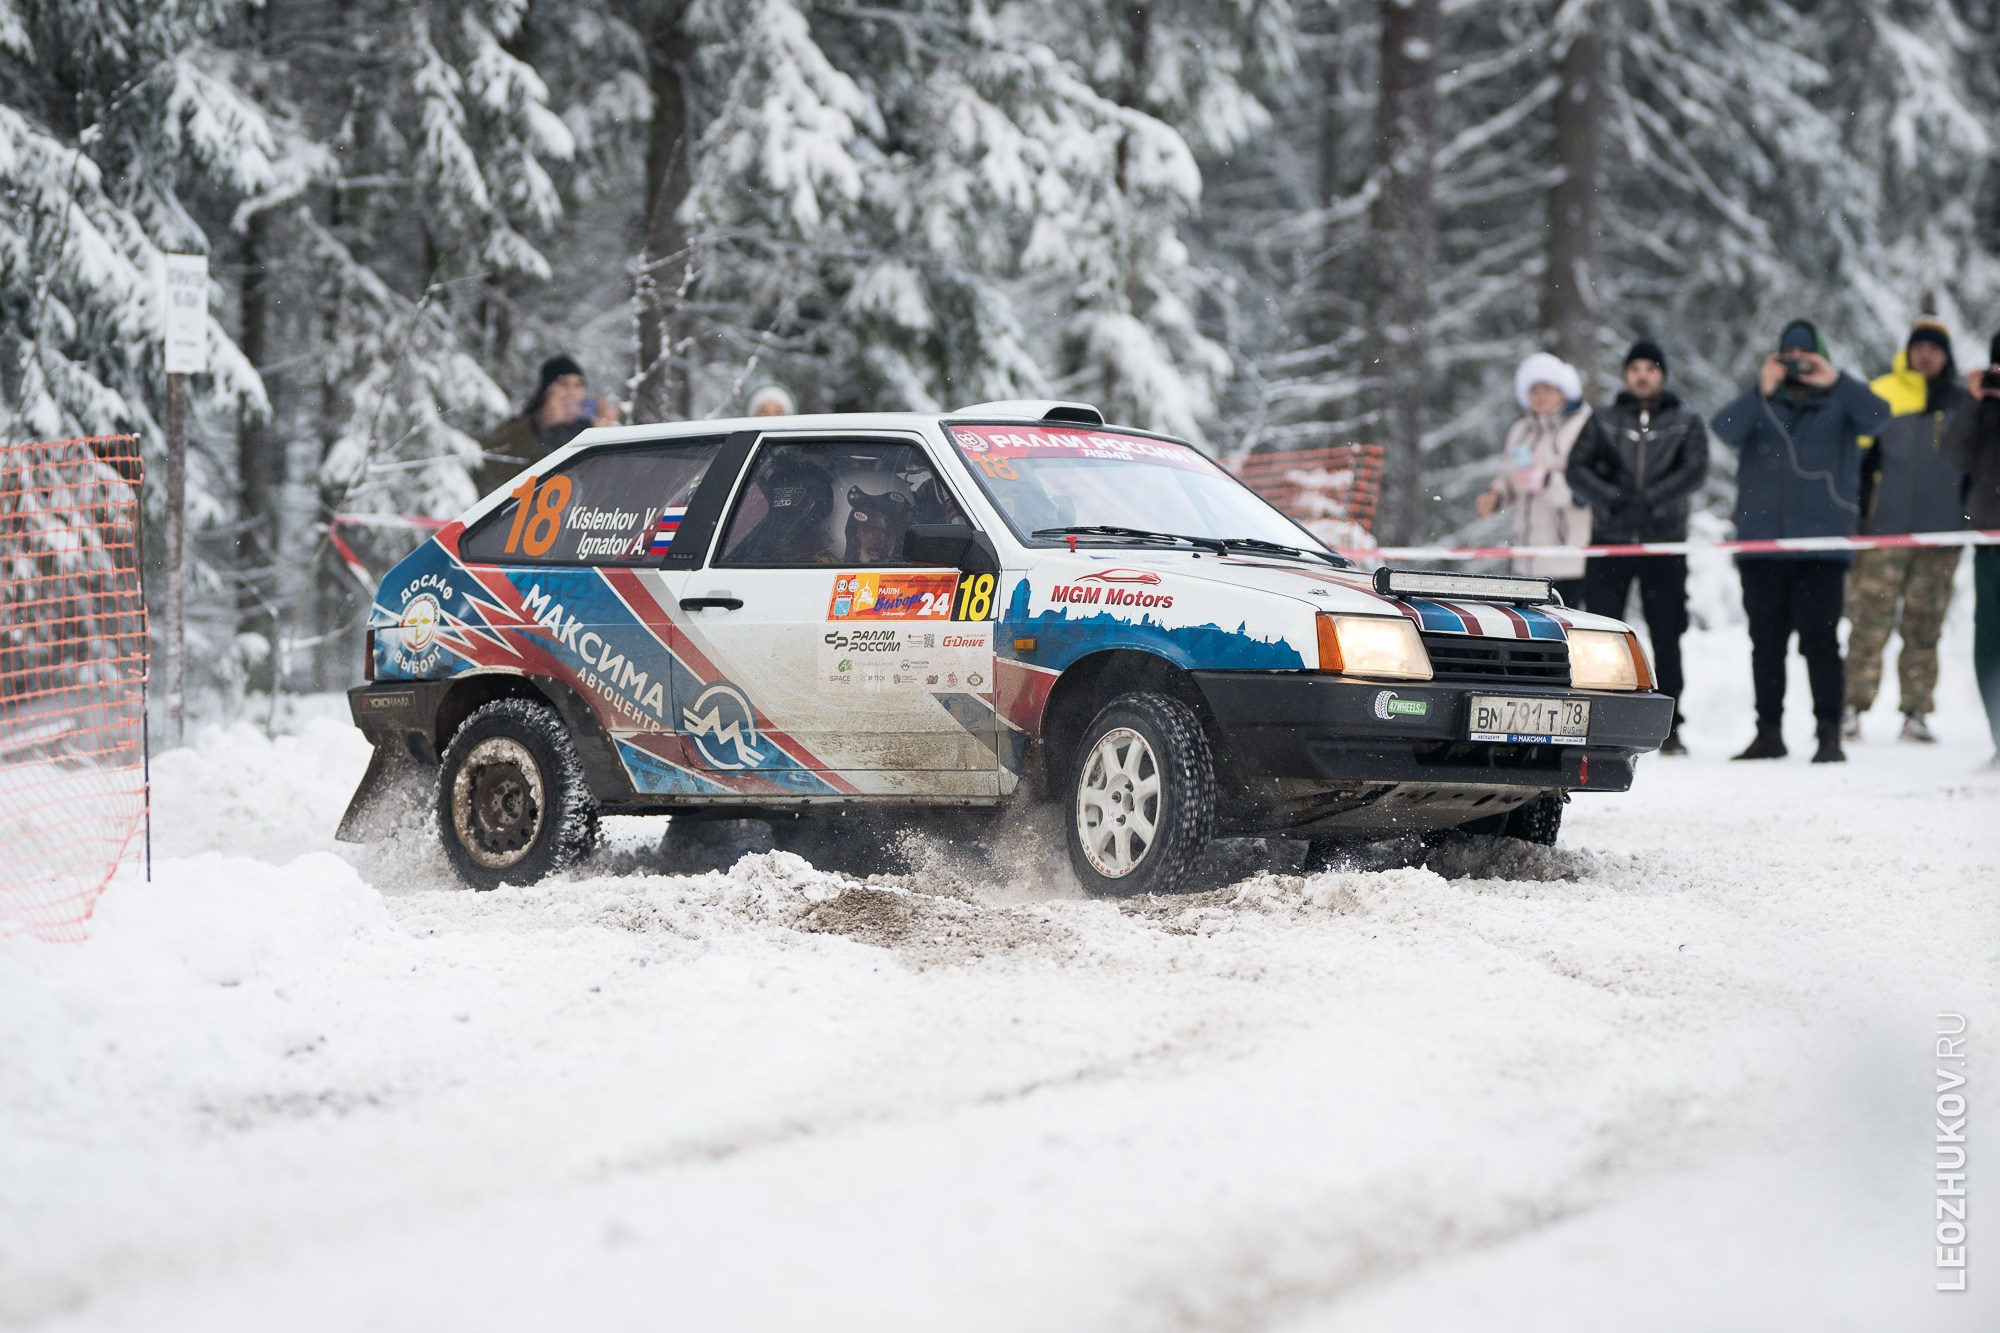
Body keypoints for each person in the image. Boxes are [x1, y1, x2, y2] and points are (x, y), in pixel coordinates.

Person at [1712, 319, 1890, 763]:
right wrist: (1760, 390)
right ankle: (1768, 732)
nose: (1796, 366)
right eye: (1788, 357)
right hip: (1762, 544)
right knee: (1766, 642)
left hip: (1821, 547)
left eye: (1805, 357)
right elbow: (1723, 430)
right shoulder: (1761, 404)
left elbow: (1879, 417)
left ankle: (1829, 734)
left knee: (1821, 641)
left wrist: (1838, 381)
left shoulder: (1841, 403)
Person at [1565, 338, 1709, 754]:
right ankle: (1599, 719)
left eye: (1650, 368)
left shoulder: (1686, 420)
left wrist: (1651, 501)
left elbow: (1694, 470)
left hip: (1664, 544)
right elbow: (1577, 468)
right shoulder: (1604, 418)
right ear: (1626, 374)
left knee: (1667, 633)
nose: (1642, 375)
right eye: (1635, 368)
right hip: (1610, 542)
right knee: (1601, 632)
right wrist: (1612, 499)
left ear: (1662, 374)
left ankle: (1672, 725)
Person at [1841, 318, 1970, 744]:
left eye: (1934, 348)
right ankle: (1851, 708)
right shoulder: (1882, 394)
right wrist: (1858, 519)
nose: (1925, 354)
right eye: (1919, 347)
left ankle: (1915, 712)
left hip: (1940, 537)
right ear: (1908, 351)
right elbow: (1857, 465)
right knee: (1868, 623)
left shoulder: (1962, 401)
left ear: (1945, 356)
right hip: (1883, 534)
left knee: (1923, 627)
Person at [1477, 352, 1593, 606]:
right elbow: (1509, 476)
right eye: (1534, 389)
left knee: (1569, 635)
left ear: (1564, 391)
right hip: (1527, 557)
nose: (1540, 396)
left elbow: (1589, 488)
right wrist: (1496, 495)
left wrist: (1548, 481)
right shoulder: (1521, 430)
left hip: (1568, 558)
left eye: (1547, 388)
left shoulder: (1584, 427)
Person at [1941, 332, 2000, 768]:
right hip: (1988, 538)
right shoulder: (1983, 406)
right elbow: (1953, 452)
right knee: (1990, 644)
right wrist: (1975, 400)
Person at [475, 355, 620, 495]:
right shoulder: (524, 426)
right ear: (547, 390)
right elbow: (493, 463)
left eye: (578, 385)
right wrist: (541, 425)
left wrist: (607, 437)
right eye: (564, 384)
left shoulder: (590, 428)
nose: (572, 393)